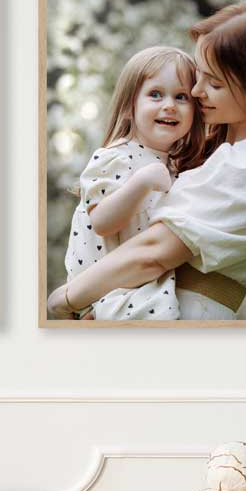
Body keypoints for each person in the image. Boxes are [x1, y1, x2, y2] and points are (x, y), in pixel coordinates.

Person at [46, 1, 246, 321]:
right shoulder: (216, 153)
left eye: (214, 83)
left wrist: (68, 297)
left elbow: (153, 253)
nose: (196, 91)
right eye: (199, 77)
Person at [61, 46, 202, 321]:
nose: (169, 105)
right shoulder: (115, 157)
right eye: (155, 94)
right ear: (129, 106)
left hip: (141, 282)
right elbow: (102, 221)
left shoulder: (175, 164)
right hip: (103, 290)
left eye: (182, 96)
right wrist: (143, 181)